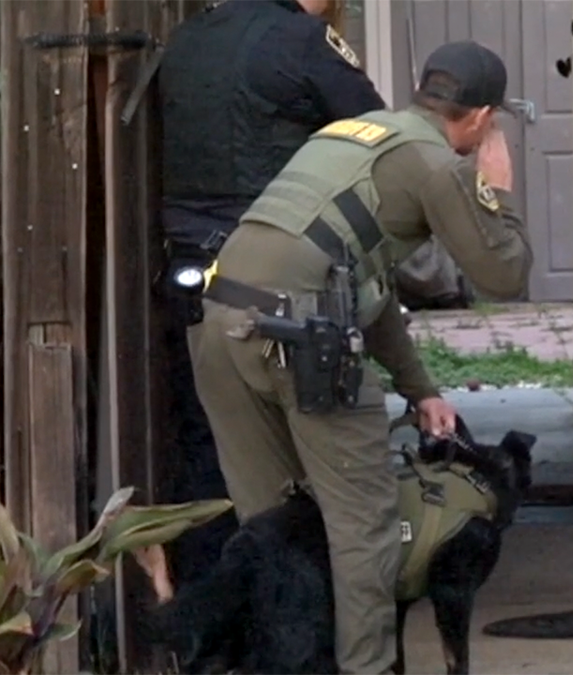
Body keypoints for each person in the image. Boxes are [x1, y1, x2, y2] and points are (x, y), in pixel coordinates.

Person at [187, 40, 532, 674]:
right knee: (363, 531)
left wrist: (421, 388)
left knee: (278, 535)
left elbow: (362, 290)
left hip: (222, 324)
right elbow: (504, 274)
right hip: (302, 341)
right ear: (481, 118)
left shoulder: (351, 137)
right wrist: (498, 193)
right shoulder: (438, 164)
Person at [156, 0, 387, 589]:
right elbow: (377, 140)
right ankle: (293, 616)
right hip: (276, 280)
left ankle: (213, 620)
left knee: (206, 445)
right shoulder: (306, 42)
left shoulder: (187, 38)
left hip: (190, 269)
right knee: (300, 453)